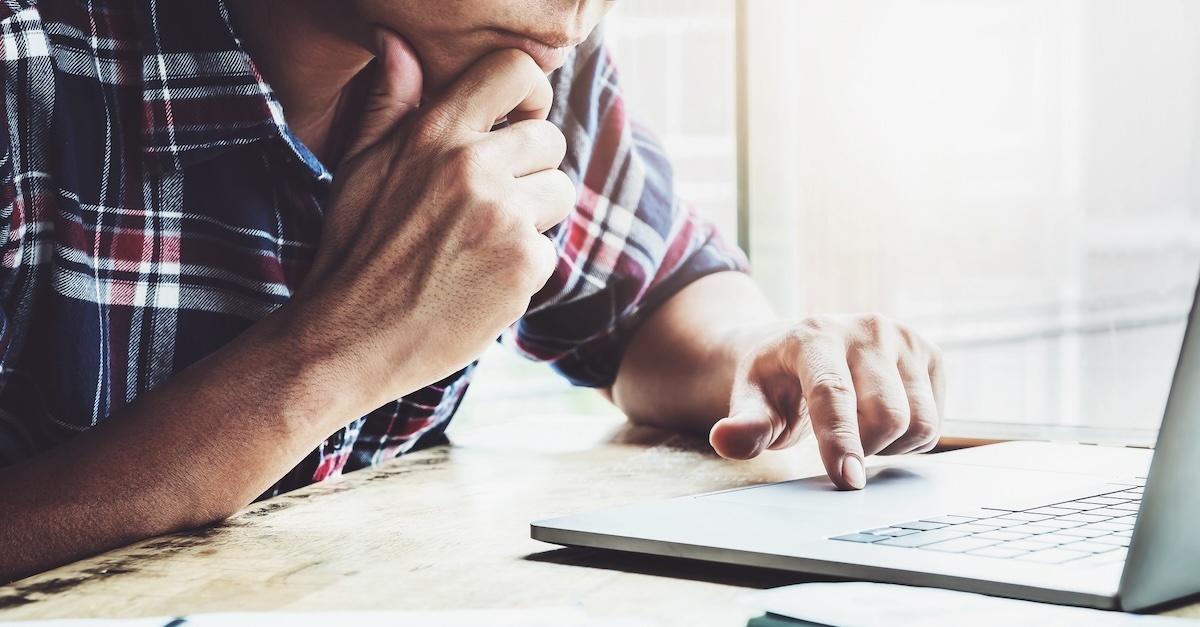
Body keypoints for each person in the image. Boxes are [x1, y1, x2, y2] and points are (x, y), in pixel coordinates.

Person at [0, 0, 945, 583]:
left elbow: (655, 299)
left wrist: (767, 352)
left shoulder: (517, 47)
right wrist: (339, 354)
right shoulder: (25, 67)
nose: (585, 9)